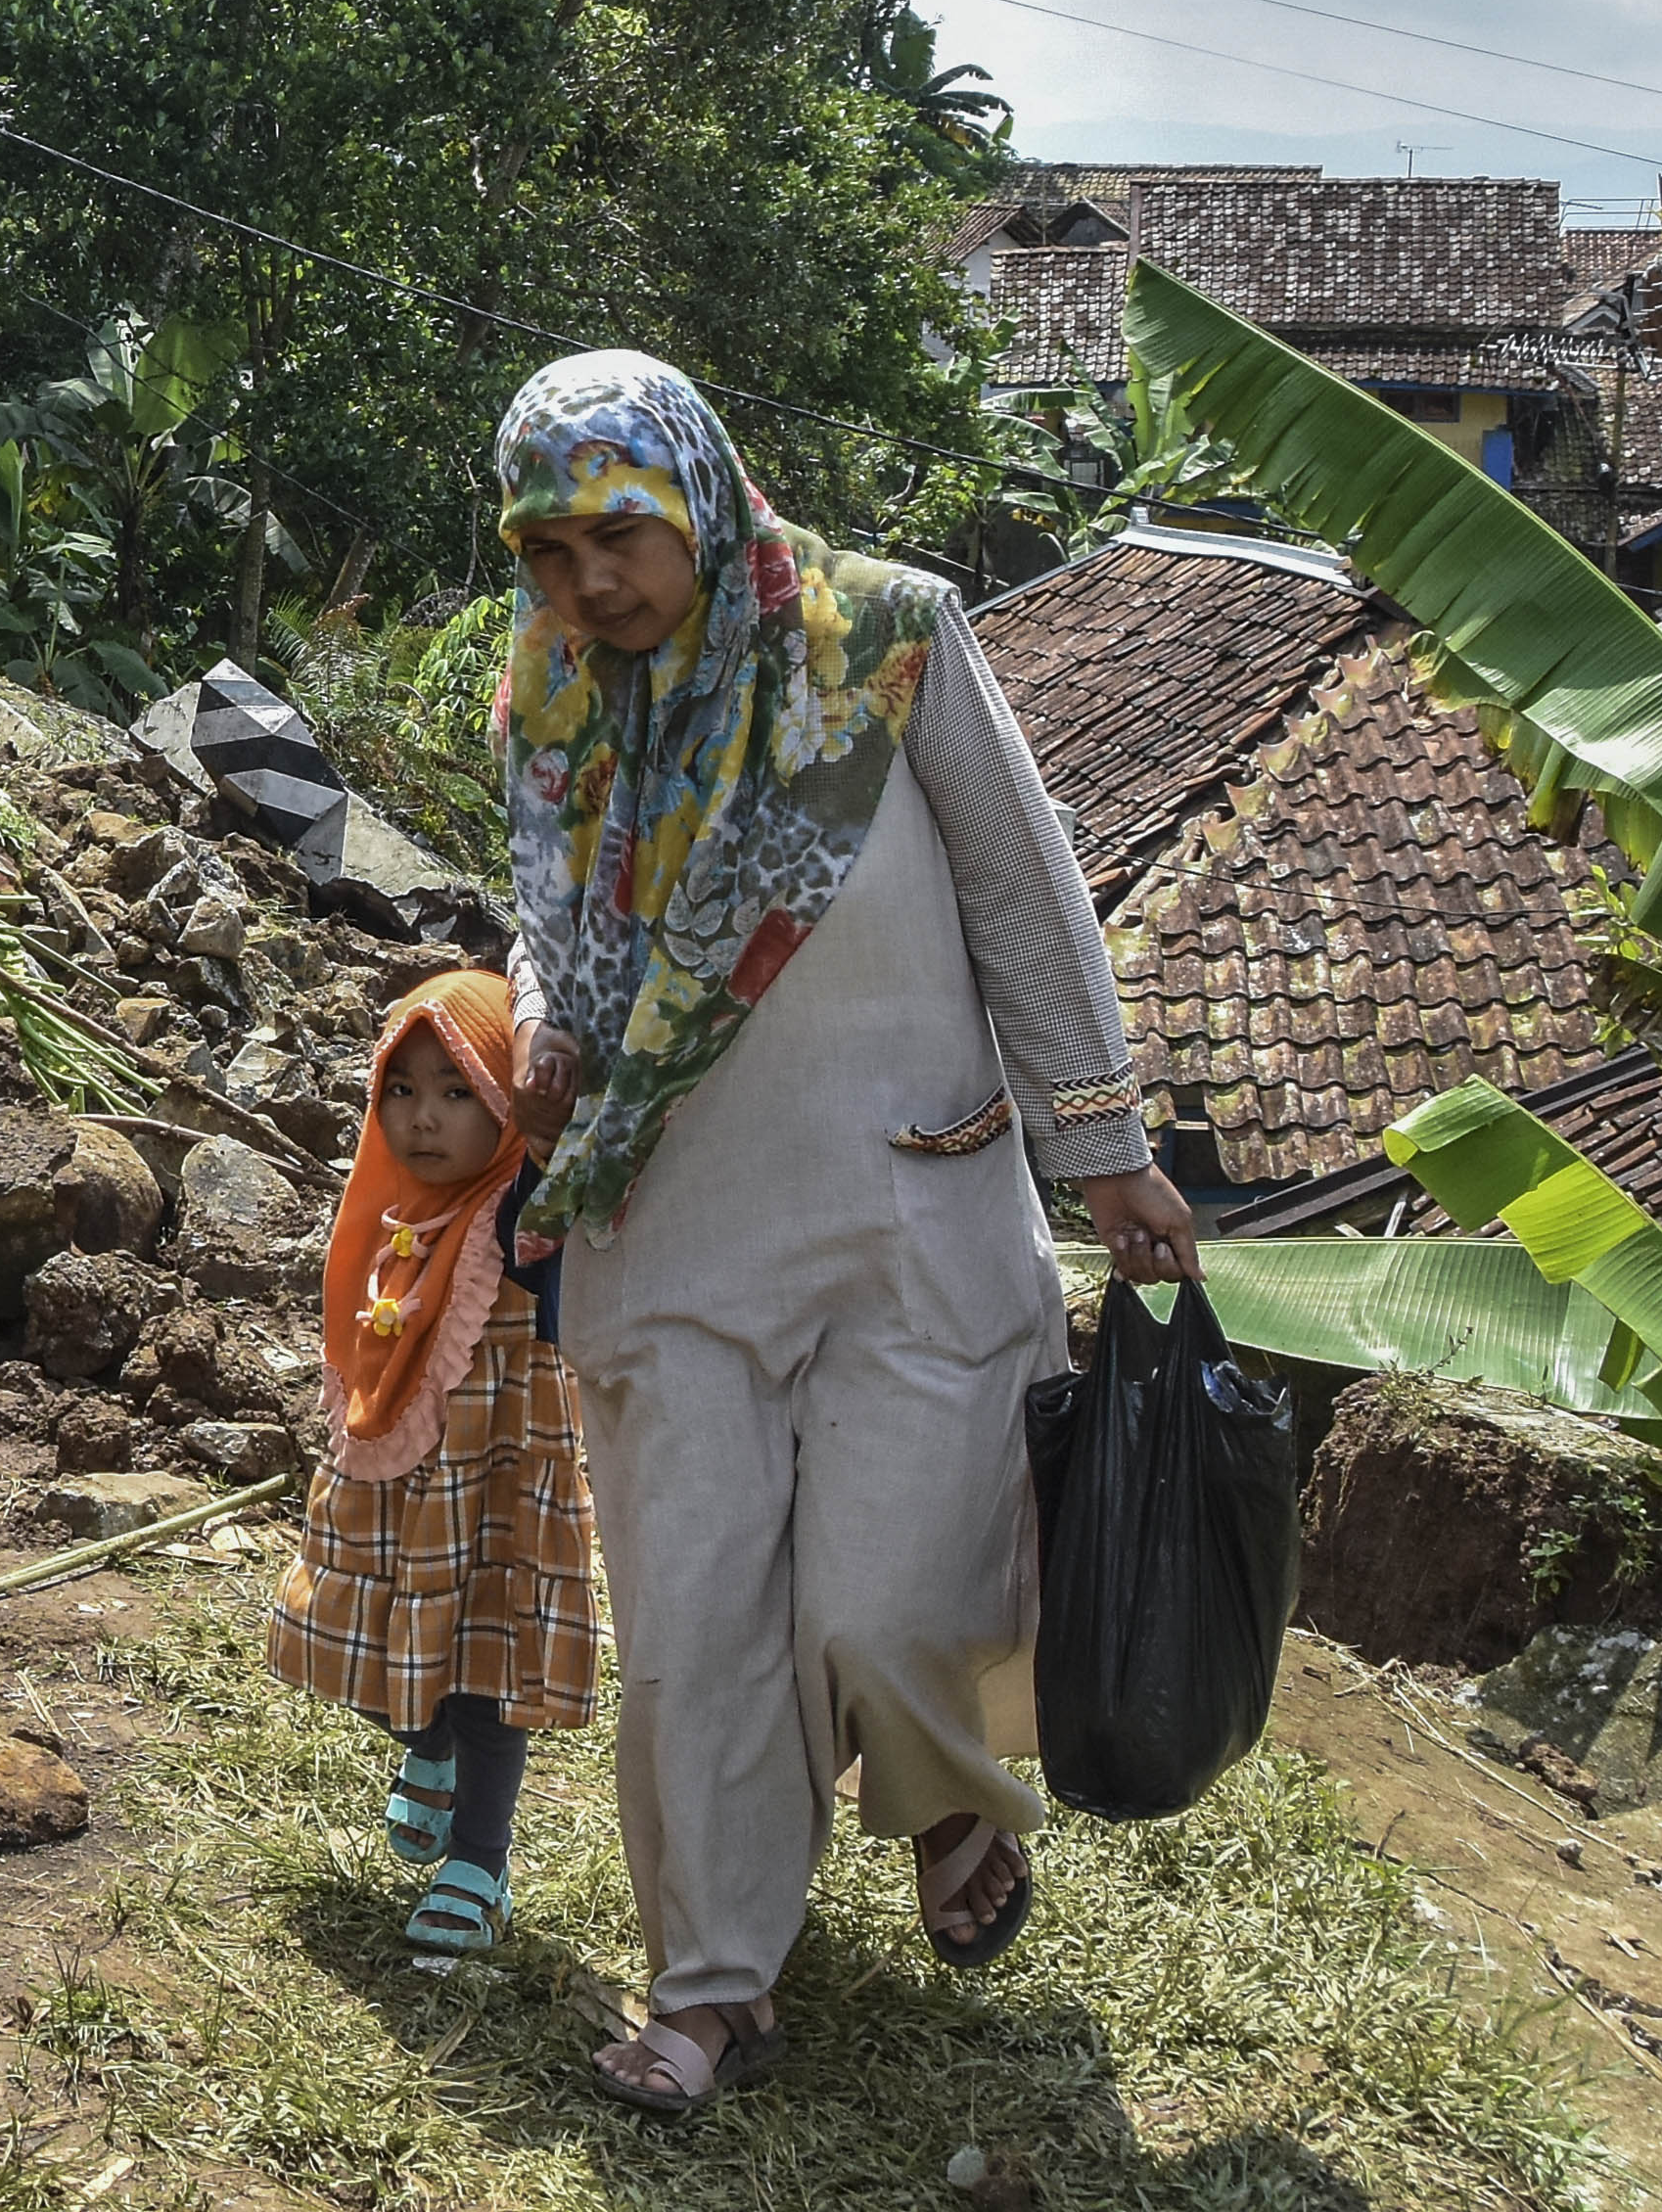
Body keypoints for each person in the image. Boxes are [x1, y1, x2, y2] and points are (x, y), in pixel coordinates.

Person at [482, 348, 1197, 2115]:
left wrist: (1101, 1146)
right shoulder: (554, 700)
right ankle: (713, 1986)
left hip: (911, 1203)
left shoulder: (887, 639)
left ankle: (940, 1783)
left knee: (883, 1609)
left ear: (700, 495)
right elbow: (546, 911)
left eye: (619, 538)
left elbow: (1023, 891)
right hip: (673, 1224)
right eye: (550, 551)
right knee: (699, 1626)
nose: (591, 586)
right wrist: (543, 1021)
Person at [261, 965, 593, 1973]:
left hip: (494, 1488)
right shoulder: (390, 1214)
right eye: (400, 1089)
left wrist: (543, 1131)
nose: (422, 1119)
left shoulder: (519, 1215)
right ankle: (427, 1745)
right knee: (367, 1649)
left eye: (459, 1091)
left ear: (505, 1097)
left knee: (484, 1670)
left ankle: (479, 1863)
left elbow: (555, 1195)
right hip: (393, 1482)